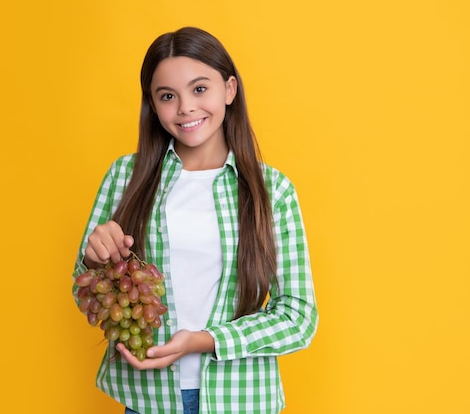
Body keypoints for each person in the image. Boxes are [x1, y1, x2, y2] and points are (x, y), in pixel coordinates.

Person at [73, 26, 318, 414]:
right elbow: (83, 292)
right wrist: (95, 261)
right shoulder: (125, 177)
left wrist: (204, 340)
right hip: (147, 401)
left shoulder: (272, 190)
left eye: (200, 89)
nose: (185, 107)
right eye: (168, 96)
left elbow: (298, 317)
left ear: (230, 90)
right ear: (153, 106)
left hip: (241, 400)